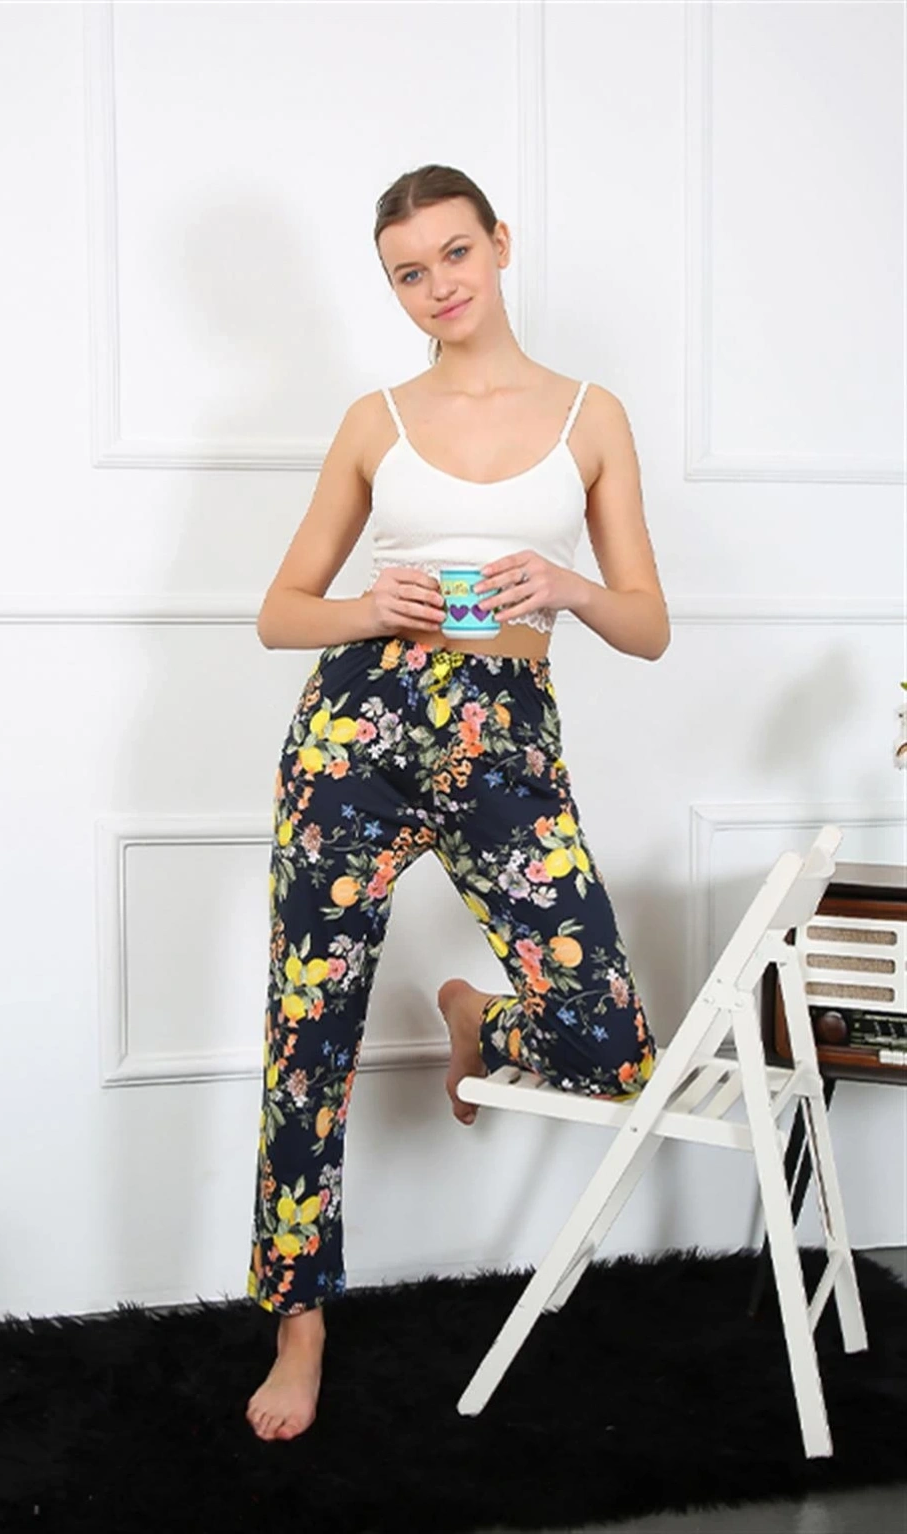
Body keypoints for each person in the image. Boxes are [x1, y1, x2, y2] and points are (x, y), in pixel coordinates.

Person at [244, 164, 670, 1443]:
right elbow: (278, 613)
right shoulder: (373, 419)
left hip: (506, 732)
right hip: (359, 721)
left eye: (454, 253)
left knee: (609, 1043)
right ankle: (299, 1324)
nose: (438, 285)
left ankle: (478, 1018)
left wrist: (569, 587)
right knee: (308, 1033)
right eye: (408, 272)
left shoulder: (590, 416)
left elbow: (647, 625)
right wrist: (368, 606)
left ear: (499, 243)